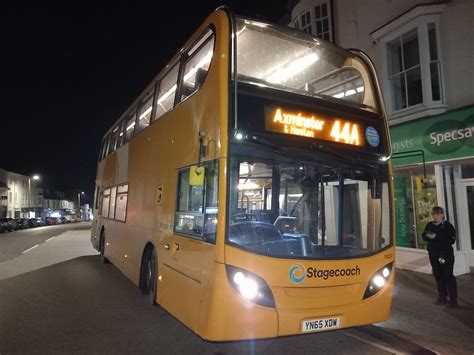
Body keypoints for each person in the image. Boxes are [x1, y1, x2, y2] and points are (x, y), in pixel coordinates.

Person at [422, 206, 458, 308]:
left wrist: (436, 237)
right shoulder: (429, 225)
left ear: (442, 214)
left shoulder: (448, 226)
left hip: (446, 255)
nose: (435, 216)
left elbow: (451, 240)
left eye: (438, 214)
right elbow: (424, 236)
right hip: (433, 254)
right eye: (434, 214)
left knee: (448, 275)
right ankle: (442, 297)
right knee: (438, 275)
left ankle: (453, 300)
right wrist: (427, 236)